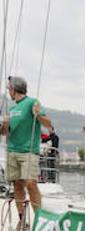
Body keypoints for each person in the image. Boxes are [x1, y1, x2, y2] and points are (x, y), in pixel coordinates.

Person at [0, 76, 52, 218]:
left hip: (29, 151)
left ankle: (39, 219)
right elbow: (4, 133)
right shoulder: (12, 108)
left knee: (30, 183)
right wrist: (4, 125)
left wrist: (38, 115)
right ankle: (22, 220)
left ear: (14, 89)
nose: (8, 91)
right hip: (12, 151)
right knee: (17, 185)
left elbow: (48, 124)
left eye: (9, 88)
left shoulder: (32, 102)